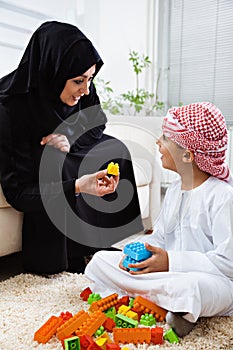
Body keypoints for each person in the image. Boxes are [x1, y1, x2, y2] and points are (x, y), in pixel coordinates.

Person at [0, 21, 143, 275]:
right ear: (54, 70)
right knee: (52, 161)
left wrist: (68, 134)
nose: (86, 90)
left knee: (114, 147)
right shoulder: (10, 108)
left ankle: (99, 243)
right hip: (28, 155)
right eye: (78, 81)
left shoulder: (82, 82)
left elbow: (97, 119)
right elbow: (18, 193)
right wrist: (78, 185)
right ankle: (68, 256)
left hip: (65, 147)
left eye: (90, 79)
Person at [85, 101, 233, 337]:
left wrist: (170, 262)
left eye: (165, 138)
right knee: (100, 261)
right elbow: (161, 240)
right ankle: (170, 308)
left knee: (190, 288)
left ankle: (171, 304)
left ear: (187, 154)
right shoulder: (174, 190)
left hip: (212, 283)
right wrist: (138, 259)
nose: (158, 142)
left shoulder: (223, 197)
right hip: (168, 275)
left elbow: (229, 264)